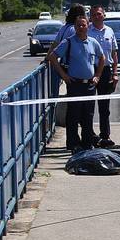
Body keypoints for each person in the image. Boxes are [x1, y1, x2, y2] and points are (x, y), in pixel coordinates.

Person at [47, 15, 105, 151]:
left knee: (88, 116)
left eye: (83, 25)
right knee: (73, 115)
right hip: (75, 84)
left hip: (89, 85)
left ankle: (87, 143)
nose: (81, 28)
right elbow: (53, 57)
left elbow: (102, 58)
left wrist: (97, 76)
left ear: (88, 26)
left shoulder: (93, 42)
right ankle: (73, 144)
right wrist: (64, 75)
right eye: (78, 25)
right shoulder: (69, 42)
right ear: (74, 27)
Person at [88, 6, 118, 147]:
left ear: (104, 15)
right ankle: (89, 136)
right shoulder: (87, 31)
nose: (97, 17)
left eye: (99, 14)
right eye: (93, 15)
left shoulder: (110, 31)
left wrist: (115, 73)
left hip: (106, 71)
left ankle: (105, 135)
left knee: (104, 107)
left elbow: (114, 53)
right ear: (90, 17)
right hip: (90, 71)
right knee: (88, 106)